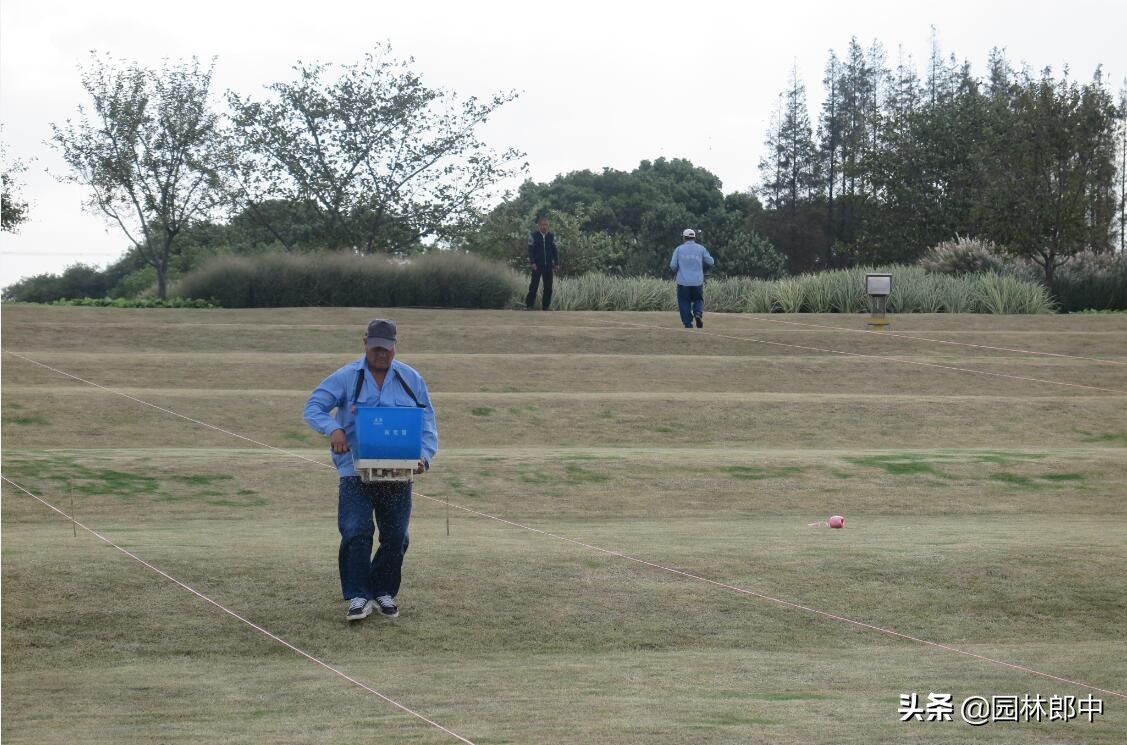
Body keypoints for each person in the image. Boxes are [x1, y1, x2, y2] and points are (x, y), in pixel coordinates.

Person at [303, 319, 438, 623]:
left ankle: (383, 591)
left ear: (395, 348)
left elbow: (427, 422)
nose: (381, 353)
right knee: (355, 531)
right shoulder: (346, 376)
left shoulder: (411, 378)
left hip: (398, 473)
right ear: (364, 342)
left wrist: (425, 457)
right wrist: (333, 429)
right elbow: (313, 407)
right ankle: (357, 596)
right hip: (354, 470)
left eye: (387, 349)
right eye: (376, 347)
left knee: (396, 536)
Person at [669, 228, 715, 328]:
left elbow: (673, 265)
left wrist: (678, 269)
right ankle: (698, 313)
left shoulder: (679, 249)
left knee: (684, 302)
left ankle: (688, 323)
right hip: (697, 281)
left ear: (684, 238)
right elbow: (711, 262)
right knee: (698, 299)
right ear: (694, 238)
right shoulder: (701, 249)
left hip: (683, 282)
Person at [525, 216, 560, 310]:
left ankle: (545, 307)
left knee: (548, 287)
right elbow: (530, 251)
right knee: (533, 286)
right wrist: (532, 262)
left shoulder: (552, 236)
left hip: (548, 265)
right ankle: (529, 305)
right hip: (537, 265)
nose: (544, 227)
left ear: (548, 225)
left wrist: (557, 263)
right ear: (539, 225)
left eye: (546, 225)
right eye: (542, 225)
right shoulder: (533, 236)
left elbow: (555, 250)